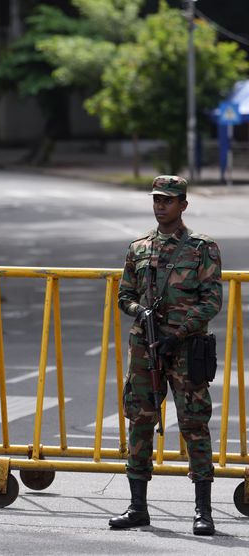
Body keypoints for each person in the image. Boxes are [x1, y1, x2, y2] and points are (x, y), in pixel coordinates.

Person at [112, 175, 222, 535]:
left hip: (186, 348)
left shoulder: (202, 248)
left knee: (193, 424)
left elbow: (211, 301)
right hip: (146, 347)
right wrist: (138, 311)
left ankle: (203, 511)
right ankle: (137, 507)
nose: (161, 206)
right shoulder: (139, 248)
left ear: (183, 205)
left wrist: (179, 333)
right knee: (140, 421)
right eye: (157, 199)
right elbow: (124, 295)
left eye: (169, 200)